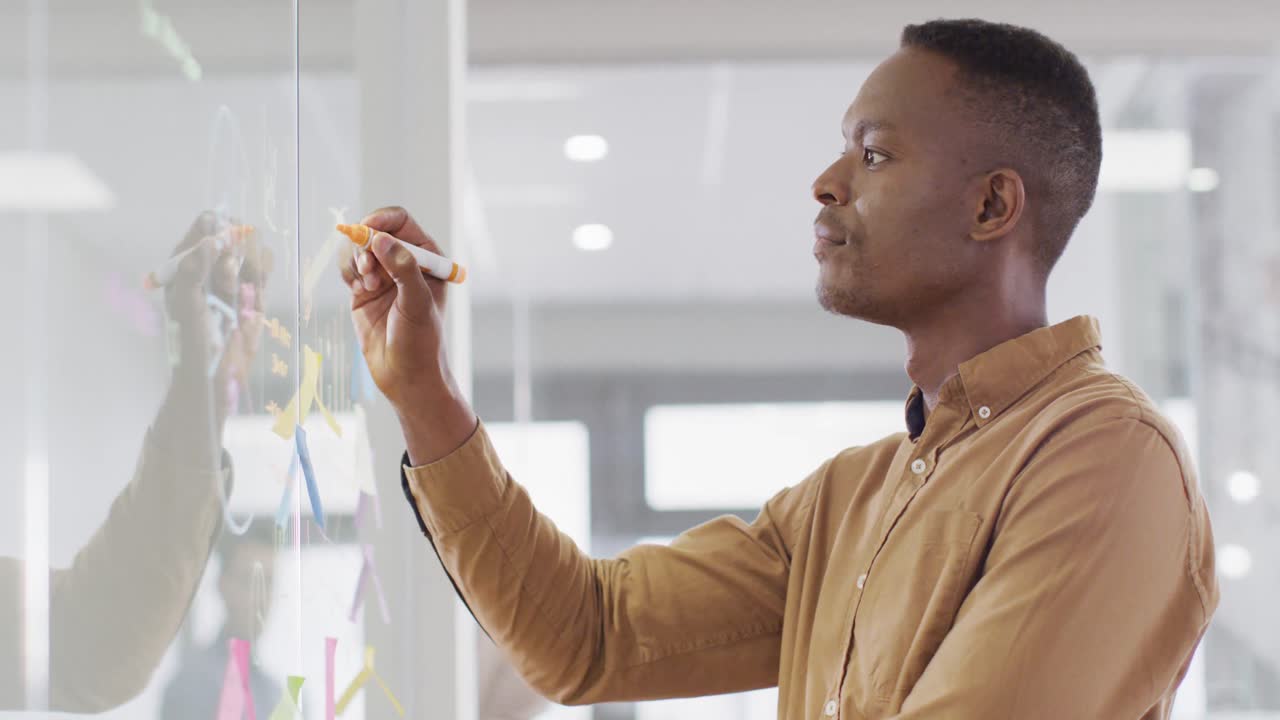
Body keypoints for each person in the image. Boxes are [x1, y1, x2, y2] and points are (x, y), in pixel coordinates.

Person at [340, 18, 1219, 720]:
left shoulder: (1107, 457)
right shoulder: (847, 500)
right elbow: (589, 637)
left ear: (992, 205)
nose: (825, 182)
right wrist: (425, 392)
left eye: (873, 154)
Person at [0, 212, 271, 712]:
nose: (264, 601)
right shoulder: (193, 685)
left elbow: (87, 648)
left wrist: (203, 393)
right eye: (256, 583)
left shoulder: (269, 686)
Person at [160, 525, 278, 718]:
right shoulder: (191, 685)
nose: (260, 597)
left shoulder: (276, 694)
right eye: (249, 580)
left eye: (269, 581)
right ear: (223, 585)